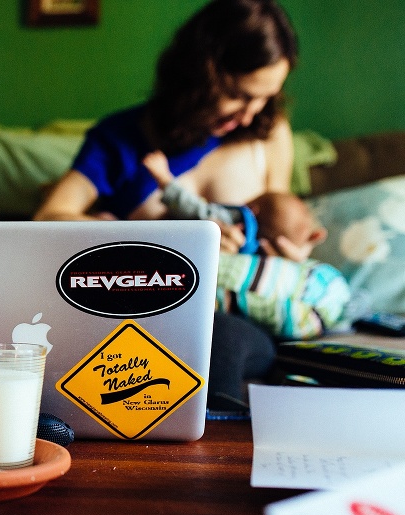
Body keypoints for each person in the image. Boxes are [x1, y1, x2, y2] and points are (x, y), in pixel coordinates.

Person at [34, 0, 301, 410]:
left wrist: (284, 250)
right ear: (201, 73)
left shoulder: (269, 134)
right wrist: (129, 233)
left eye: (265, 98)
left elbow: (279, 218)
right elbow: (49, 216)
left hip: (239, 318)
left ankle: (215, 440)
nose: (251, 114)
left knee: (220, 335)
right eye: (237, 95)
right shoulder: (120, 138)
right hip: (148, 316)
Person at [142, 148, 327, 255]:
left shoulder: (235, 220)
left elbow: (195, 209)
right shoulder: (256, 253)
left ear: (253, 209)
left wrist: (165, 180)